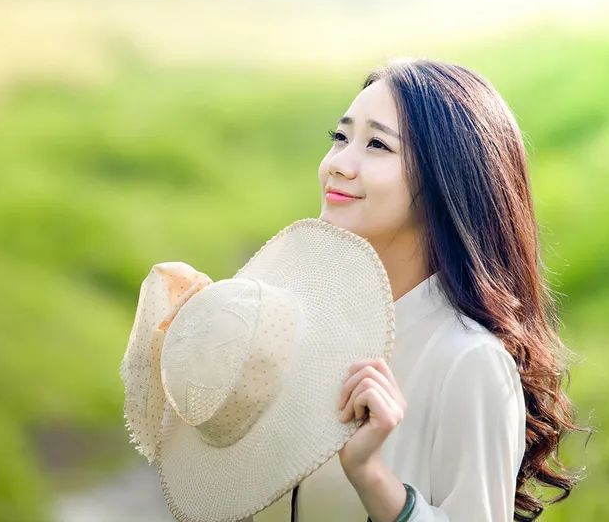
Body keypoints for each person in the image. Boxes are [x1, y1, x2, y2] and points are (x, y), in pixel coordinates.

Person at [250, 58, 588, 522]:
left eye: (376, 144)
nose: (338, 165)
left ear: (444, 179)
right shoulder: (317, 336)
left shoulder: (471, 361)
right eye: (340, 137)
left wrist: (373, 478)